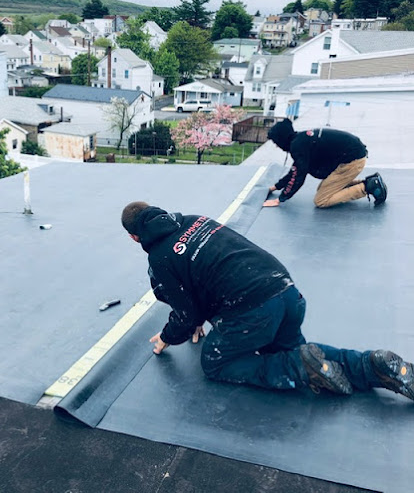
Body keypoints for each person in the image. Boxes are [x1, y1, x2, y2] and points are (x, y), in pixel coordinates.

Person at [121, 201, 414, 401]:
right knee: (300, 351)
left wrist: (169, 336)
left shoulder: (160, 258)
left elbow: (185, 313)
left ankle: (297, 369)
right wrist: (195, 318)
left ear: (135, 237)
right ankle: (373, 366)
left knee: (214, 363)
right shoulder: (197, 220)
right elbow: (208, 273)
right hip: (286, 292)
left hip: (253, 311)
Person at [264, 118, 387, 208]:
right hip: (352, 156)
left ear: (281, 139)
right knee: (323, 188)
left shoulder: (298, 146)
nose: (277, 146)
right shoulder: (300, 139)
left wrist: (280, 199)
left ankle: (368, 187)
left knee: (321, 200)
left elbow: (299, 176)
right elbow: (295, 169)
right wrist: (276, 187)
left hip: (352, 162)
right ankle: (369, 181)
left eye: (276, 143)